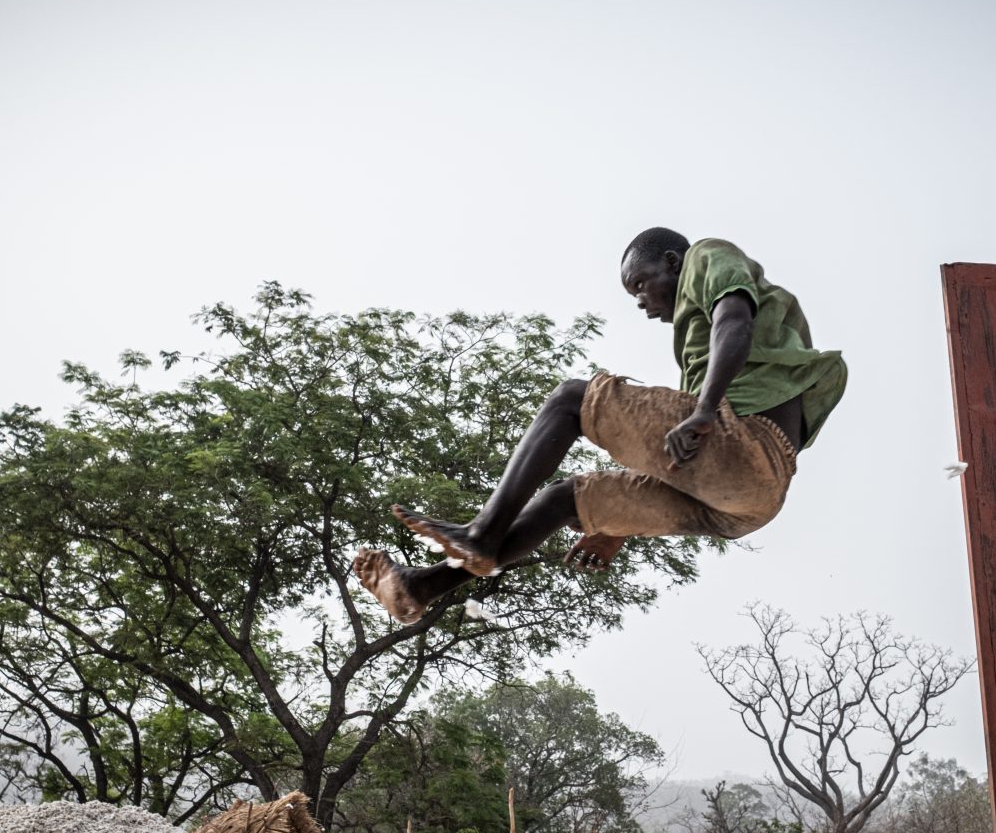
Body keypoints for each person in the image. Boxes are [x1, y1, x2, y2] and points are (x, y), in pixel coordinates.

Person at [353, 228, 847, 623]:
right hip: (743, 506)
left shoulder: (706, 256)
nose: (640, 302)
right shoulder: (698, 352)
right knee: (566, 500)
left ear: (673, 263)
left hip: (751, 447)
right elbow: (692, 456)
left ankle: (482, 532)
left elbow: (733, 321)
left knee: (573, 398)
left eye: (641, 284)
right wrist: (619, 524)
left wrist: (704, 408)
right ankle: (420, 588)